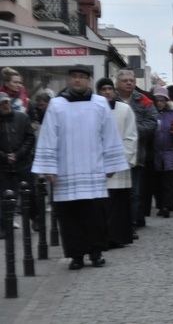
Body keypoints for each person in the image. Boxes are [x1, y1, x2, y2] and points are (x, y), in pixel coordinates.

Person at [32, 65, 129, 270]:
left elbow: (109, 135)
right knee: (70, 216)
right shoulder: (57, 105)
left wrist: (111, 164)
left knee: (94, 214)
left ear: (89, 81)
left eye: (82, 77)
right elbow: (48, 136)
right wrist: (49, 168)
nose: (78, 80)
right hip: (65, 169)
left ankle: (96, 252)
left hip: (93, 168)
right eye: (74, 77)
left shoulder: (100, 103)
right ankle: (75, 255)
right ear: (69, 80)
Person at [95, 77, 138, 249]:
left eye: (109, 89)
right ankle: (103, 237)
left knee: (118, 204)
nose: (107, 92)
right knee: (102, 205)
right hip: (98, 165)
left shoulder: (124, 109)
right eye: (103, 89)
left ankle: (118, 237)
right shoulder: (93, 110)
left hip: (119, 165)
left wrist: (119, 162)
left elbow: (131, 137)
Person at [115, 69, 158, 234]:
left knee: (134, 192)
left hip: (136, 153)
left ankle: (131, 223)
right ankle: (118, 223)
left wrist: (130, 130)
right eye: (125, 80)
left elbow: (152, 123)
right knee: (117, 192)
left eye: (131, 80)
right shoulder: (111, 99)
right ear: (118, 83)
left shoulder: (144, 100)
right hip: (114, 154)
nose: (128, 83)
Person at [0, 92, 36, 239]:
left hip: (23, 163)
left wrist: (18, 154)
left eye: (7, 102)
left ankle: (36, 218)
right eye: (2, 104)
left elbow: (30, 137)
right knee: (6, 197)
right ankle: (3, 226)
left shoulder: (22, 117)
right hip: (3, 166)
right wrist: (4, 156)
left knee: (31, 193)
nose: (5, 106)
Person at [152, 86, 173, 218]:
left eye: (162, 100)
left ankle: (167, 205)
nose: (160, 103)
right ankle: (160, 204)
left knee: (168, 179)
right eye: (157, 100)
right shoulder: (152, 112)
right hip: (156, 152)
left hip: (170, 151)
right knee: (157, 181)